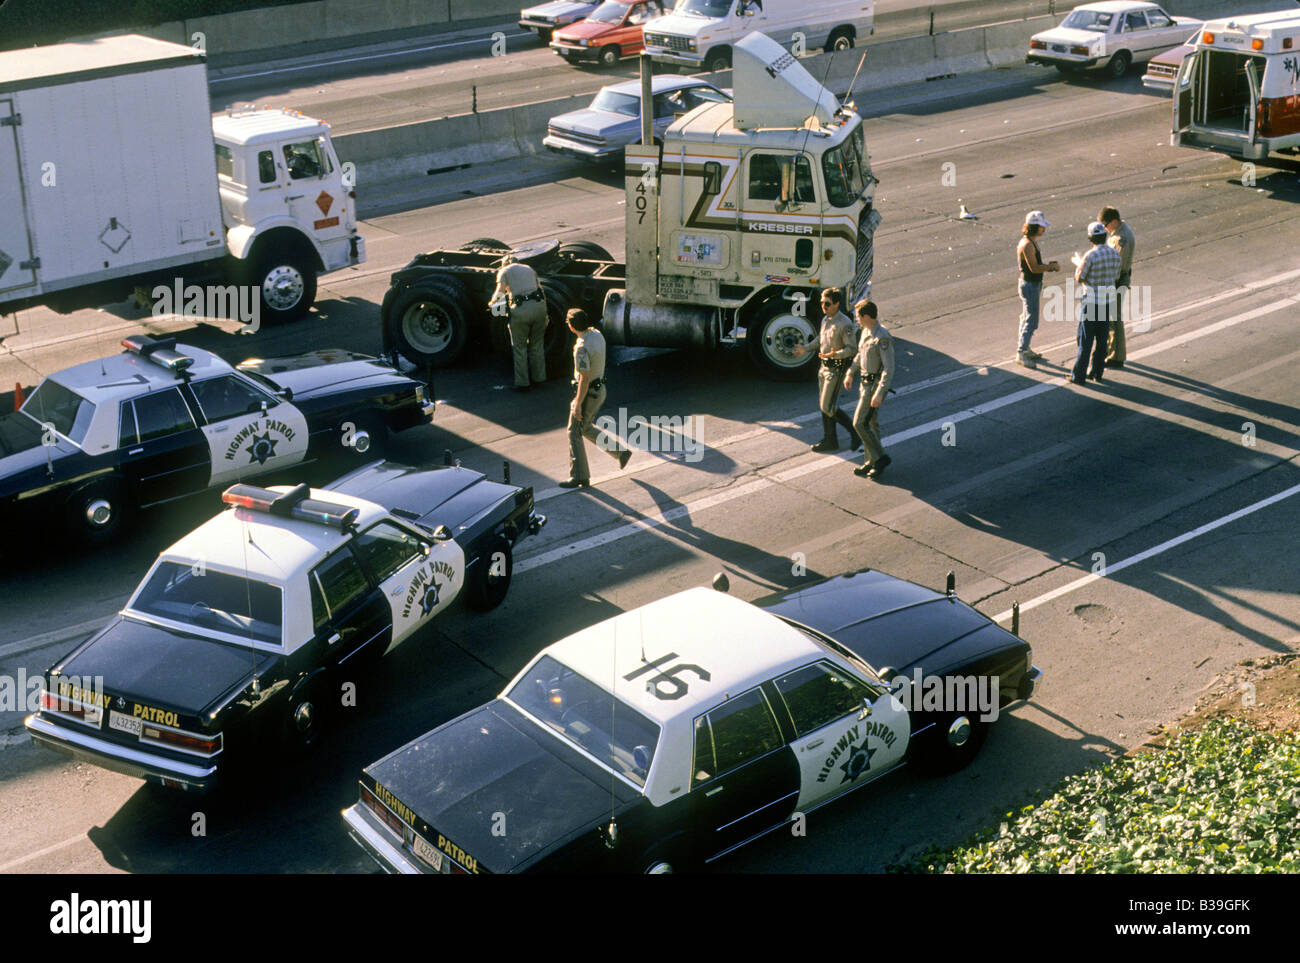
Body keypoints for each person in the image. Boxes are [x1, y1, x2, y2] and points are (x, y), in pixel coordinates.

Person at [559, 309, 631, 489]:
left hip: (588, 392)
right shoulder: (597, 335)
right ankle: (620, 452)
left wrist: (577, 403)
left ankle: (579, 476)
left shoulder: (581, 348)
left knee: (573, 432)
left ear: (571, 326)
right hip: (600, 389)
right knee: (585, 428)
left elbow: (583, 377)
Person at [792, 287, 861, 453]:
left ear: (837, 304)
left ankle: (855, 433)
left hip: (836, 369)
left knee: (827, 406)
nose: (824, 306)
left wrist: (834, 354)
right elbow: (820, 339)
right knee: (825, 406)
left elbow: (852, 349)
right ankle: (830, 440)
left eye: (827, 303)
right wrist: (806, 348)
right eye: (822, 302)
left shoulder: (844, 323)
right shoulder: (826, 319)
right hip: (823, 368)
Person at [844, 299, 894, 479]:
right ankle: (871, 461)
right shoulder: (866, 331)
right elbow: (860, 354)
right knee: (871, 424)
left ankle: (880, 458)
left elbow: (889, 369)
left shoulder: (882, 337)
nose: (856, 319)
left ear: (866, 316)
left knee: (859, 423)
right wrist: (850, 373)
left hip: (874, 387)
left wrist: (880, 393)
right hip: (864, 385)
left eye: (858, 316)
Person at [1068, 221, 1121, 385]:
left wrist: (1079, 265)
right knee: (1102, 339)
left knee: (1085, 340)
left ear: (1090, 238)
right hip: (1107, 302)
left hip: (1091, 303)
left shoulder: (1090, 255)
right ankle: (1097, 373)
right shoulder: (1115, 254)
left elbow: (1080, 277)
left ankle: (1078, 376)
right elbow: (1117, 275)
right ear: (1104, 236)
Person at [490, 255, 548, 392]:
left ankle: (523, 384)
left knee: (520, 348)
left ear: (504, 264)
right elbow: (541, 290)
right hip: (540, 308)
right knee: (537, 345)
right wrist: (545, 314)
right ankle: (539, 379)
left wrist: (493, 305)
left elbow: (499, 293)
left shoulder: (503, 272)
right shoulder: (529, 268)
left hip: (521, 311)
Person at [1015, 211, 1061, 369]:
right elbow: (1034, 268)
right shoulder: (1027, 244)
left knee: (1027, 317)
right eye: (1042, 226)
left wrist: (1047, 266)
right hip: (1029, 285)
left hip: (1031, 285)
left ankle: (1025, 348)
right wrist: (1051, 267)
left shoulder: (1030, 242)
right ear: (1035, 227)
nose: (1044, 229)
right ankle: (1021, 352)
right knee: (1031, 321)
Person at [1099, 206, 1135, 369]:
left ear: (1114, 221)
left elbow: (1116, 267)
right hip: (1115, 279)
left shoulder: (1122, 239)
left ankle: (1116, 356)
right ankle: (1111, 351)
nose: (1104, 229)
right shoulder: (1117, 232)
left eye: (1105, 225)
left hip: (1117, 281)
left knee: (1114, 319)